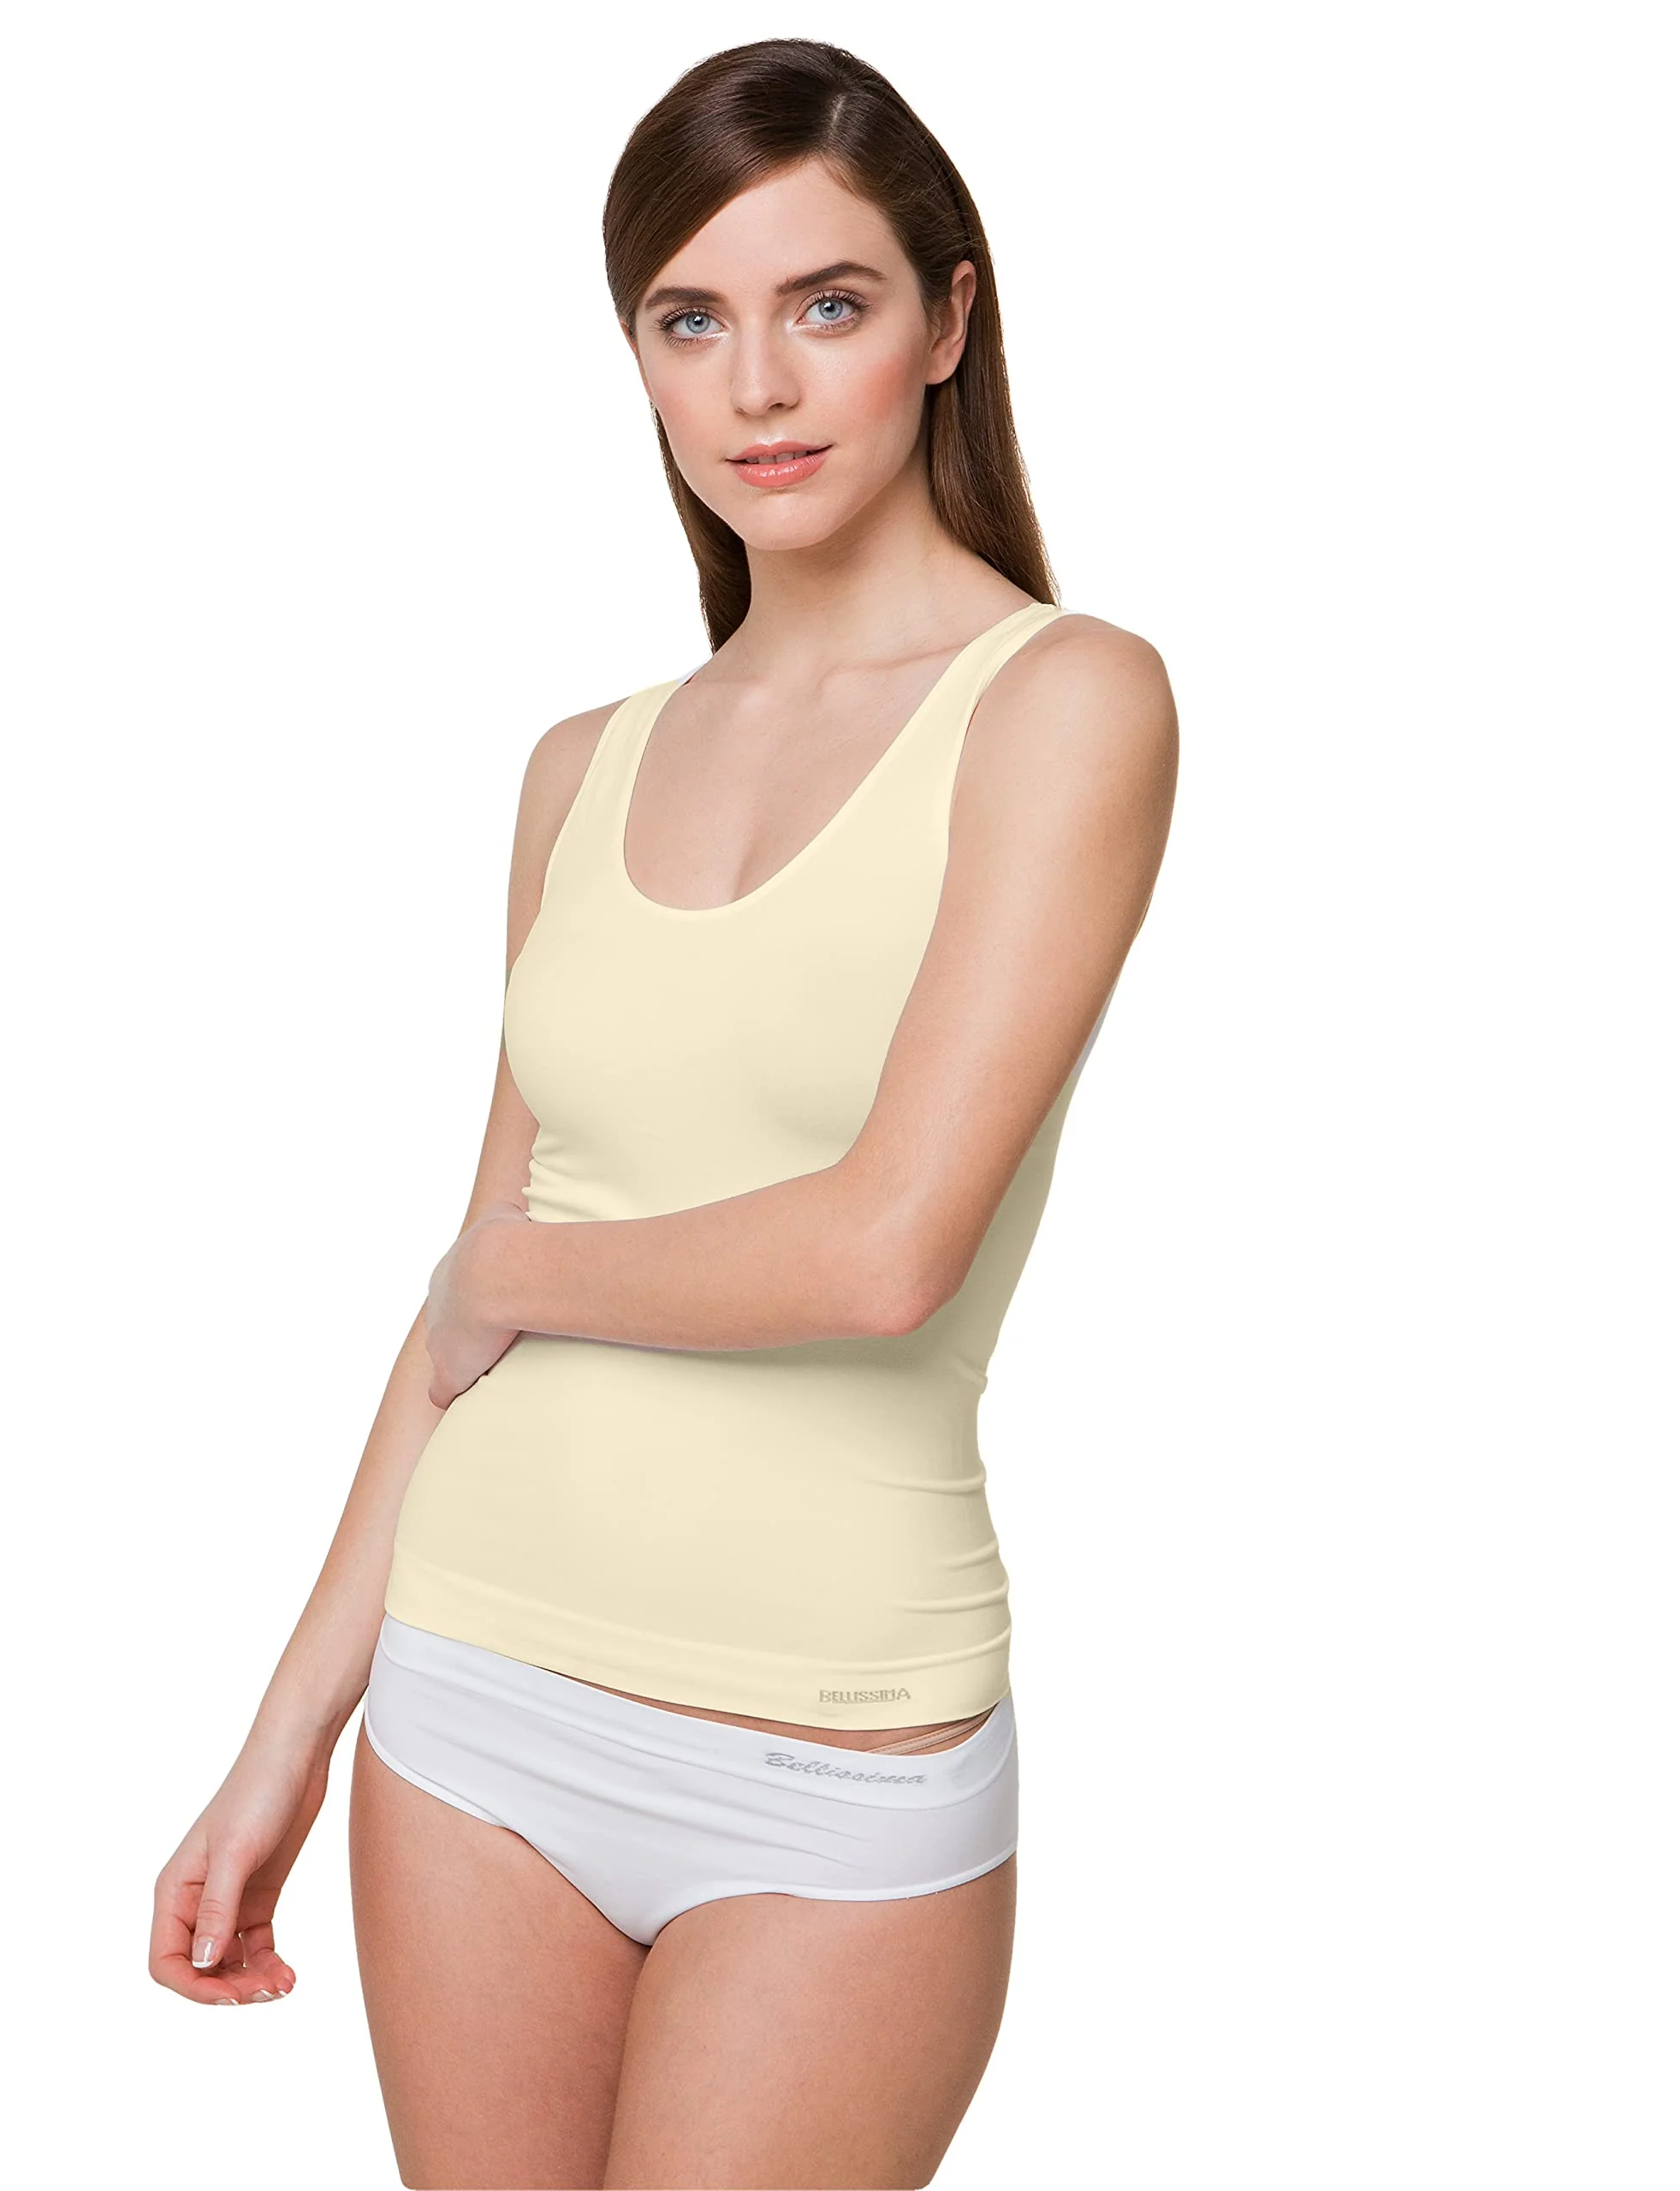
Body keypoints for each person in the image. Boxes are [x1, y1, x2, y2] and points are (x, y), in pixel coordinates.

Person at [150, 36, 1177, 2190]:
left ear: (947, 322)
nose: (758, 386)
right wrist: (281, 1738)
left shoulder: (1065, 703)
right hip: (473, 1698)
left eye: (827, 302)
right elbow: (464, 1310)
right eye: (689, 320)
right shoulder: (580, 764)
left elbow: (882, 1247)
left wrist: (512, 1271)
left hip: (830, 1751)